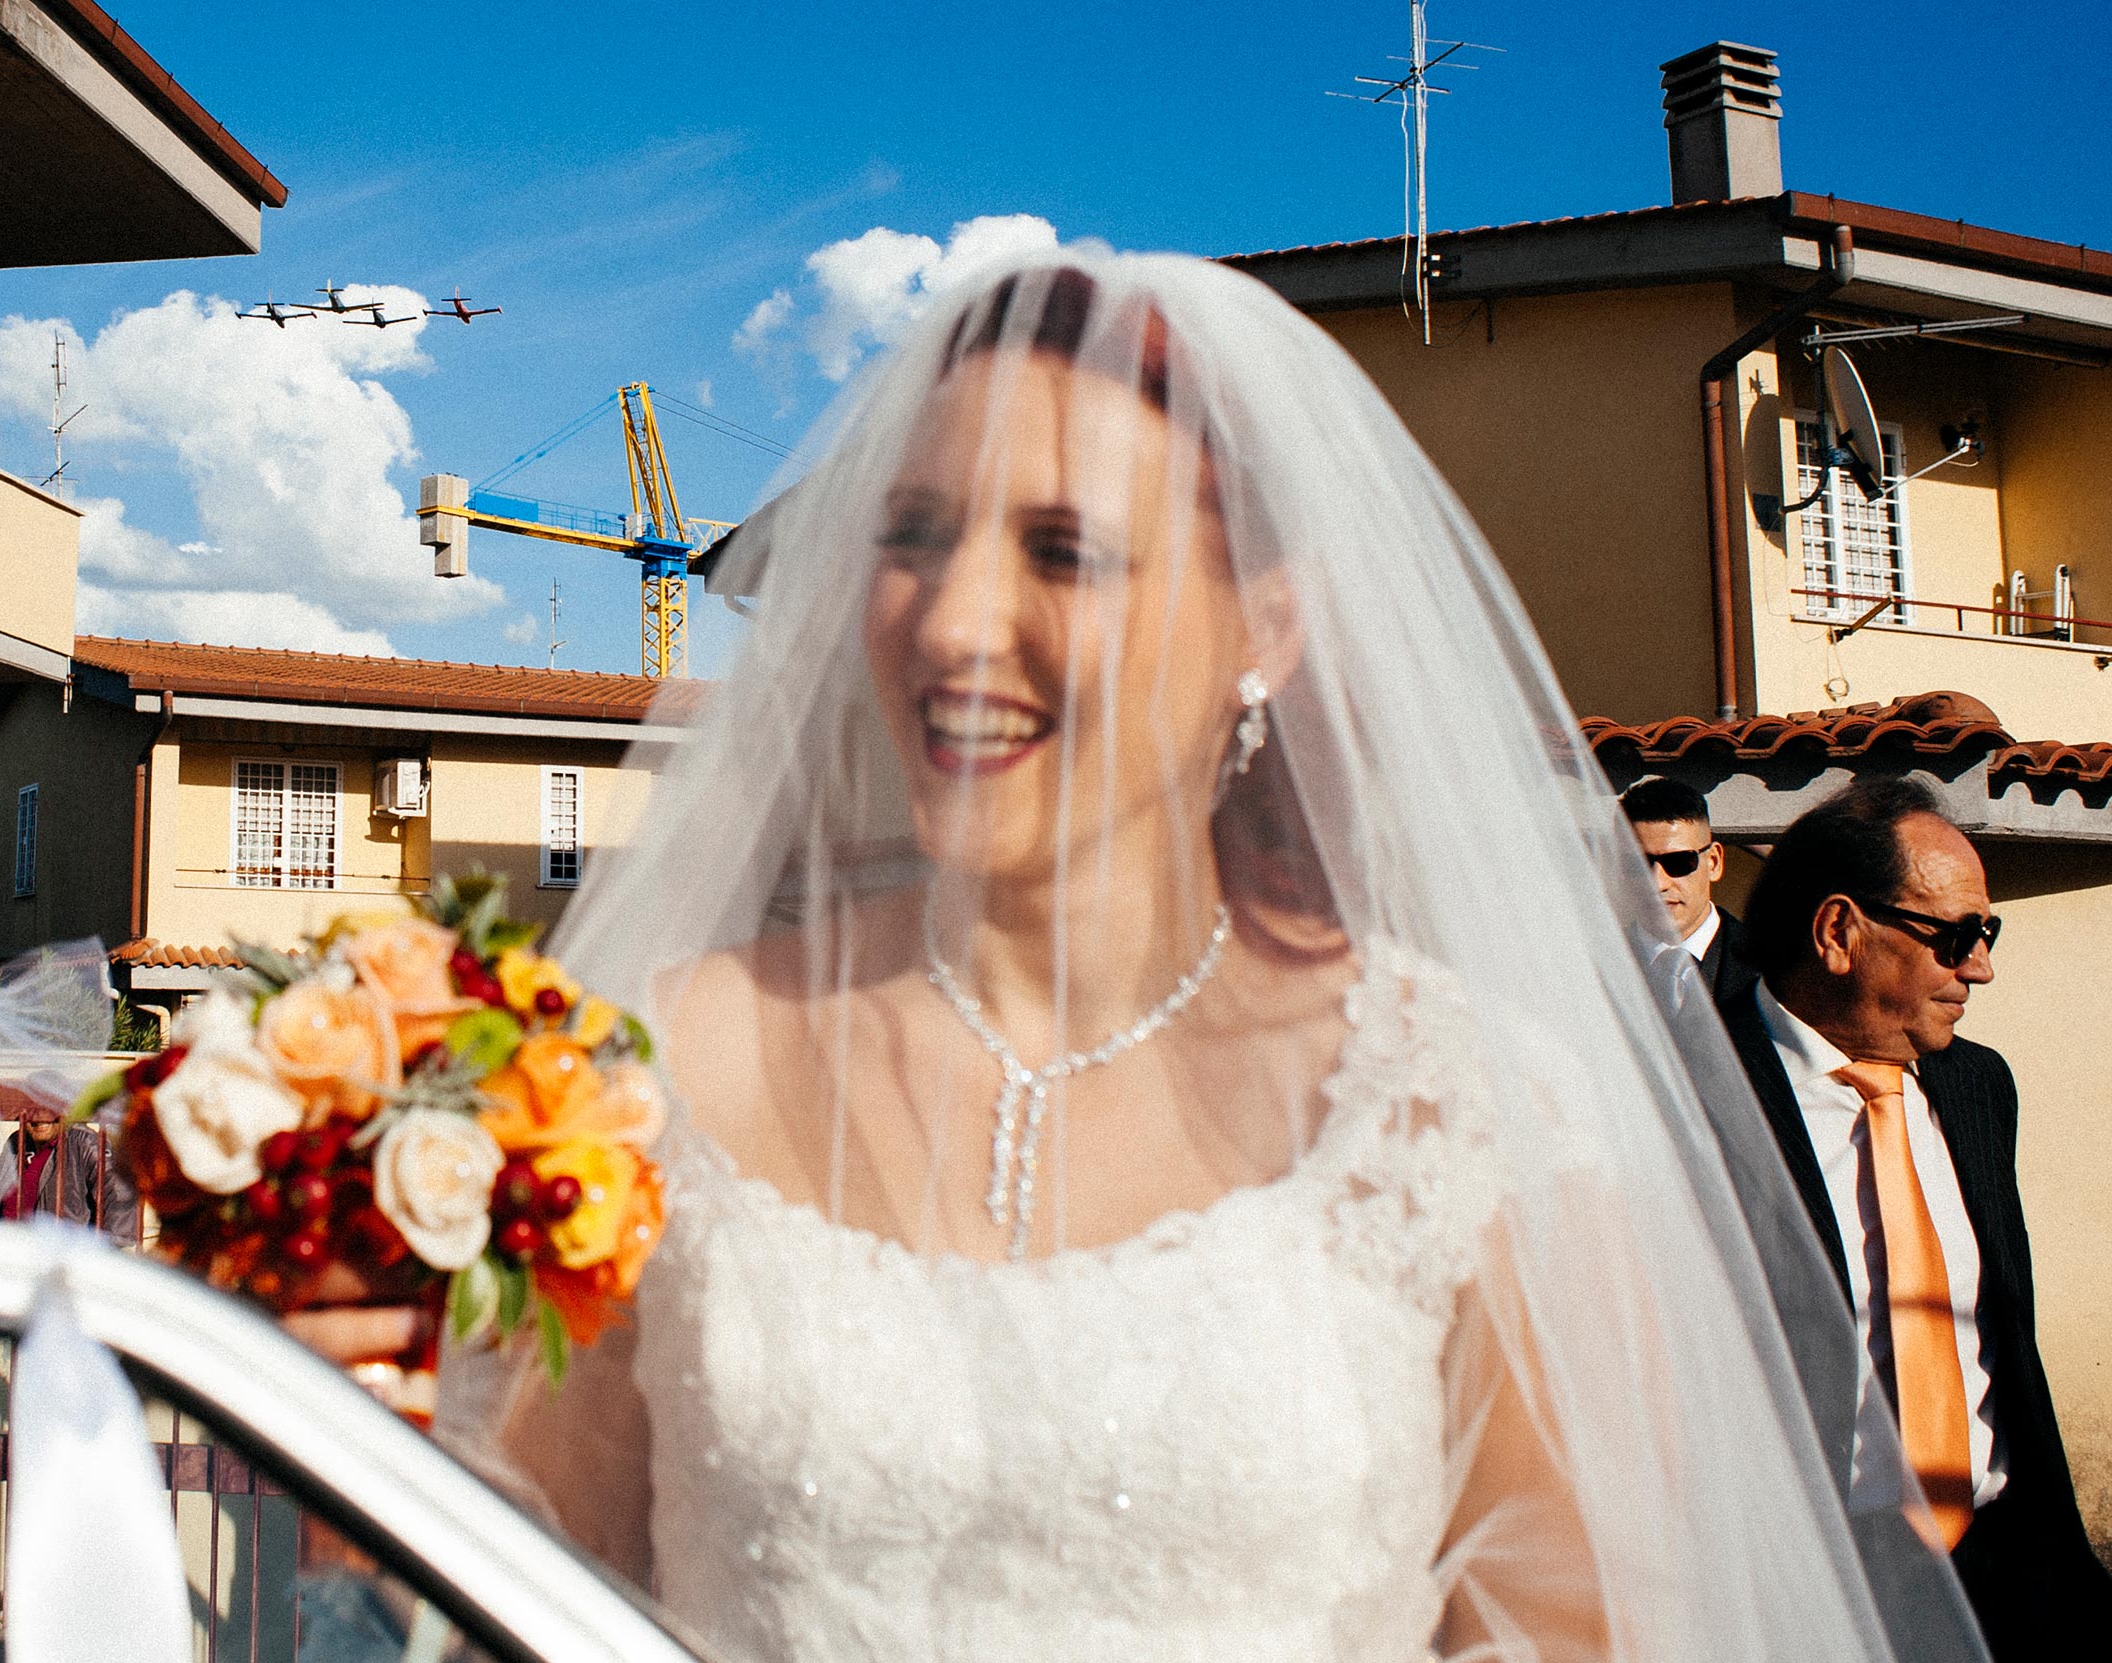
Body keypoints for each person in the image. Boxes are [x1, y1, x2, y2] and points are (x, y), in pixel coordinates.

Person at [301, 251, 1983, 1661]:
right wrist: (347, 1424)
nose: (954, 622)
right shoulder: (656, 1062)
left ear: (1267, 623)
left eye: (1064, 550)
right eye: (911, 535)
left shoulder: (1463, 1109)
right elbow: (508, 1590)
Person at [1719, 776, 2112, 1656]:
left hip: (2008, 1569)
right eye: (1955, 936)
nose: (1980, 966)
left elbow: (2003, 1343)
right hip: (1813, 1593)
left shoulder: (1977, 1085)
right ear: (1839, 932)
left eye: (1987, 934)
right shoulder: (1695, 1093)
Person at [1621, 777, 1755, 1003]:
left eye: (1679, 862)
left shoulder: (1773, 965)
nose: (1658, 884)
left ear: (1713, 862)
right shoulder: (1591, 966)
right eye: (1639, 864)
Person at [0, 1107, 141, 1245]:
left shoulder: (84, 1142)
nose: (40, 1118)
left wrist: (111, 1247)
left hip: (63, 1254)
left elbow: (118, 1190)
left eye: (48, 1107)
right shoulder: (17, 1142)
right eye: (33, 1109)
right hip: (12, 1250)